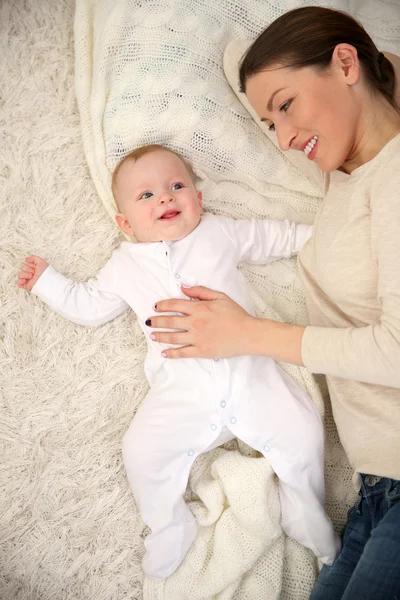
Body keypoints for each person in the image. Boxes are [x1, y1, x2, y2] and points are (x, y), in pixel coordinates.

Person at [145, 6, 400, 599]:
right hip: (377, 491)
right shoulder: (350, 175)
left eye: (286, 106)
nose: (284, 139)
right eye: (268, 124)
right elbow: (238, 46)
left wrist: (246, 334)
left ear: (345, 64)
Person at [16, 144, 340, 581]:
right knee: (140, 451)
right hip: (182, 391)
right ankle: (169, 525)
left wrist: (322, 236)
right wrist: (47, 283)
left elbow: (271, 236)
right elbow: (90, 306)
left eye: (176, 186)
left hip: (250, 373)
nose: (165, 198)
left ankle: (306, 512)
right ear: (125, 224)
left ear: (199, 200)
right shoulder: (123, 265)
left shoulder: (218, 233)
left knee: (301, 430)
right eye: (146, 196)